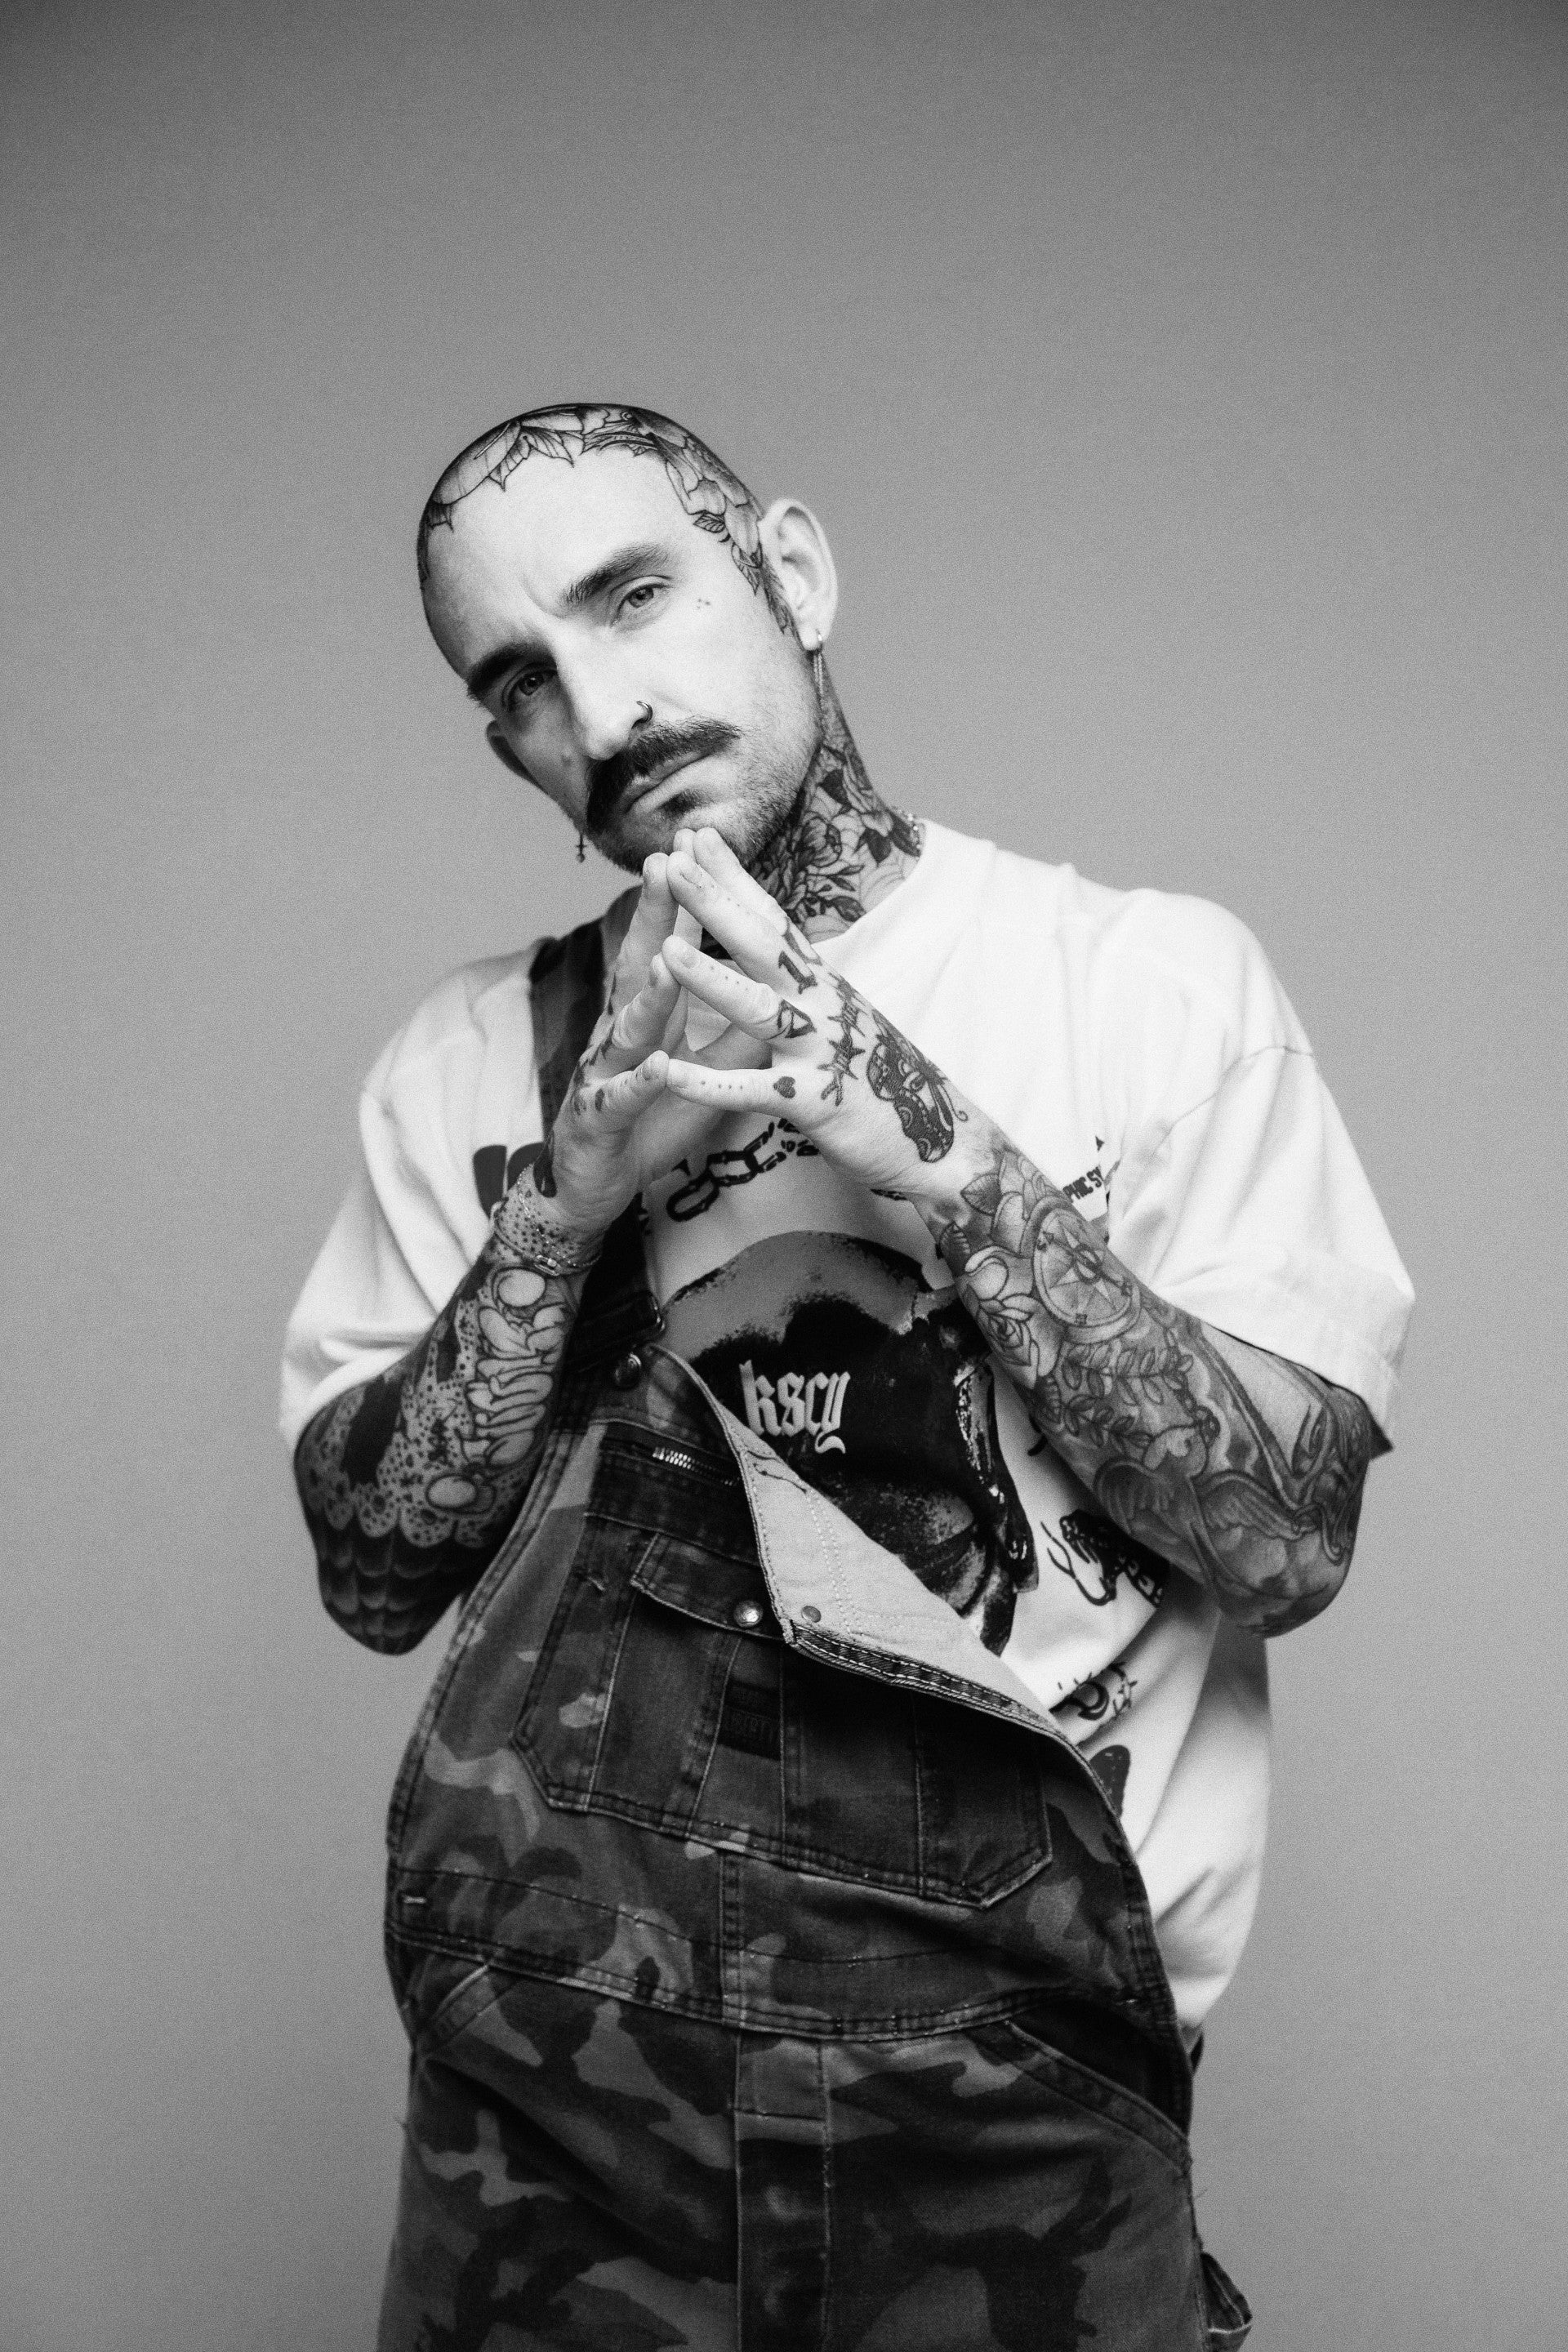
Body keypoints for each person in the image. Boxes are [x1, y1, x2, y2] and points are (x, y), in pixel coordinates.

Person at [280, 403, 1412, 2352]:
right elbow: (376, 1576)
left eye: (635, 595)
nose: (605, 710)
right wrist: (566, 1203)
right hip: (555, 2139)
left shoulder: (1145, 987)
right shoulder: (472, 1062)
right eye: (521, 680)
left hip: (1018, 2124)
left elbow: (1284, 1538)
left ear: (791, 573)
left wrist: (920, 1136)